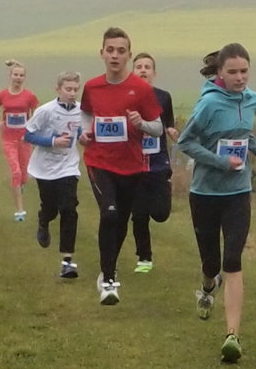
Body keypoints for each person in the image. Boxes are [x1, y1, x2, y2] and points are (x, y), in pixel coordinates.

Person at [176, 43, 256, 364]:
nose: (240, 78)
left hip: (238, 193)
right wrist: (219, 161)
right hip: (205, 194)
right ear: (220, 73)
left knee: (233, 259)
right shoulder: (208, 104)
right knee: (211, 264)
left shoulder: (253, 100)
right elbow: (186, 142)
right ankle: (207, 286)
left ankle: (232, 336)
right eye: (233, 72)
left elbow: (244, 134)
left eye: (244, 71)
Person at [79, 27, 163, 305]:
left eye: (121, 51)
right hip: (99, 162)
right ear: (101, 53)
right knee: (110, 214)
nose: (115, 55)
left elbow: (158, 128)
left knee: (121, 221)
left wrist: (142, 124)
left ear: (128, 55)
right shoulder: (92, 87)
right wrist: (84, 132)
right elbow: (86, 113)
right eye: (110, 50)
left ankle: (109, 266)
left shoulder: (141, 89)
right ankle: (108, 280)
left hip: (131, 166)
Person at [25, 73, 87, 279]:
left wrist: (85, 138)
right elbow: (28, 134)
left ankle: (67, 262)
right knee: (51, 208)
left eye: (75, 89)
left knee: (69, 209)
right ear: (58, 89)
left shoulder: (81, 111)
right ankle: (43, 219)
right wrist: (52, 141)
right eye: (68, 89)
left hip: (68, 167)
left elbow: (80, 133)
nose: (72, 93)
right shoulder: (46, 111)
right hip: (45, 168)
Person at [130, 52, 179, 274]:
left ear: (154, 73)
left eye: (147, 67)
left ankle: (157, 198)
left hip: (158, 163)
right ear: (132, 72)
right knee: (139, 215)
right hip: (134, 165)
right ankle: (144, 258)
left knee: (160, 214)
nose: (143, 70)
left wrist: (172, 131)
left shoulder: (163, 97)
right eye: (138, 66)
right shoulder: (126, 96)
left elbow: (168, 123)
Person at [0, 61, 40, 222]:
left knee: (24, 174)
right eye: (15, 74)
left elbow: (36, 116)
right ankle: (20, 210)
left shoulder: (30, 96)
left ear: (24, 78)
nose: (18, 78)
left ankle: (20, 186)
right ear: (10, 76)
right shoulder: (2, 95)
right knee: (16, 172)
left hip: (24, 139)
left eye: (21, 75)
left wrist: (33, 131)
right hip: (8, 139)